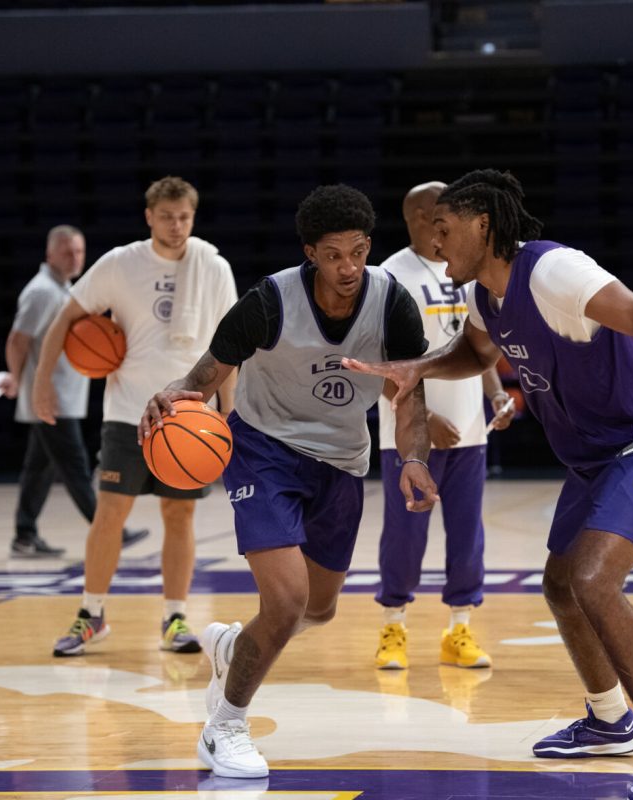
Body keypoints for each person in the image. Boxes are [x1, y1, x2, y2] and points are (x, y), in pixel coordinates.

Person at [345, 169, 633, 800]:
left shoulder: (552, 271)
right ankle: (608, 721)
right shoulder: (482, 296)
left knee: (594, 580)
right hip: (596, 454)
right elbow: (479, 354)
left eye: (445, 228)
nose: (435, 243)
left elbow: (632, 309)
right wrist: (422, 368)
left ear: (482, 223)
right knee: (559, 584)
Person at [139, 184, 437, 779]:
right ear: (310, 253)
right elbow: (208, 371)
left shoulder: (392, 303)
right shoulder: (269, 300)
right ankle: (224, 726)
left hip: (342, 461)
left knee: (319, 610)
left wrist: (413, 458)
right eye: (333, 255)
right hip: (263, 451)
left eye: (357, 251)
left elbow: (409, 396)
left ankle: (233, 647)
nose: (348, 267)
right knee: (286, 601)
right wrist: (176, 394)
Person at [32, 176, 239, 657]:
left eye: (184, 216)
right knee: (109, 513)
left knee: (179, 514)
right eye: (166, 216)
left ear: (194, 215)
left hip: (189, 416)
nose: (176, 225)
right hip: (128, 412)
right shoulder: (120, 263)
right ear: (149, 216)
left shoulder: (214, 266)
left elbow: (230, 349)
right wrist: (42, 382)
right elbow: (64, 319)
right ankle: (92, 613)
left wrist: (230, 416)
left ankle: (174, 617)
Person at [373, 181, 515, 672]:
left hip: (470, 432)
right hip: (410, 436)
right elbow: (380, 363)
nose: (443, 226)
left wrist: (496, 393)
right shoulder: (389, 275)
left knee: (466, 535)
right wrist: (422, 418)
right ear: (416, 216)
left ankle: (460, 630)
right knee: (405, 535)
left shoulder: (467, 270)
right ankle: (393, 626)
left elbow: (475, 346)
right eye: (436, 217)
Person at [0, 225, 149, 558]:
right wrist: (17, 377)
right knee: (75, 464)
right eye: (67, 251)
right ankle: (111, 530)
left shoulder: (63, 290)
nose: (75, 257)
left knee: (39, 468)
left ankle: (24, 535)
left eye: (79, 251)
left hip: (63, 397)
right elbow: (17, 339)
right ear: (49, 253)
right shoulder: (41, 292)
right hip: (53, 399)